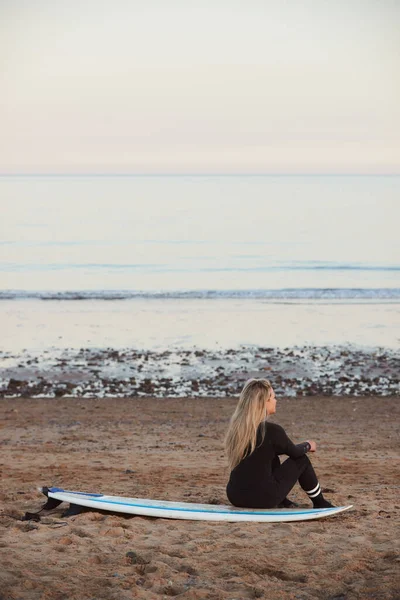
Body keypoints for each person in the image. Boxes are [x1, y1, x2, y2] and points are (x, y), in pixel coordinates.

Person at [225, 378, 334, 509]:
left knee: (271, 458)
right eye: (273, 397)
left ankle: (283, 501)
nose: (276, 401)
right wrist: (308, 445)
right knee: (302, 460)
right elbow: (295, 452)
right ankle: (319, 502)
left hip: (235, 496)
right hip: (264, 498)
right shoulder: (272, 430)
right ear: (264, 402)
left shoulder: (237, 429)